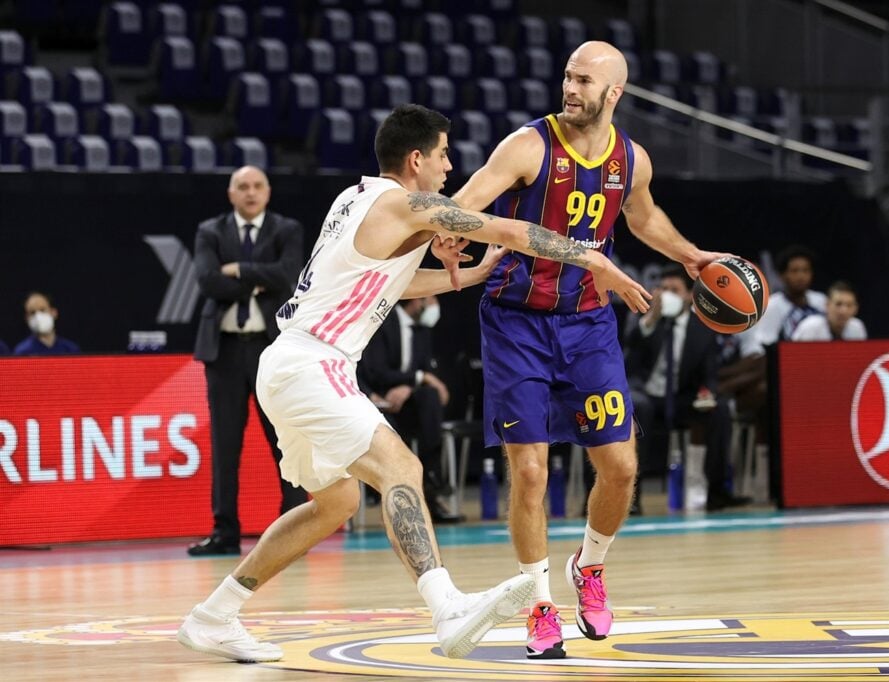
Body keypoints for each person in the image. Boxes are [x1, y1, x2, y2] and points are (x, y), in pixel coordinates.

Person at [176, 103, 650, 663]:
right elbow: (512, 228)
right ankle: (446, 607)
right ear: (417, 158)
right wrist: (597, 262)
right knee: (401, 468)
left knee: (335, 503)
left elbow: (384, 282)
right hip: (313, 365)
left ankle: (214, 616)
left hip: (289, 362)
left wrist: (468, 276)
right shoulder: (409, 203)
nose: (451, 168)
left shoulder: (355, 198)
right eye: (445, 155)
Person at [450, 41, 726, 659]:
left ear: (614, 93)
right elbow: (462, 203)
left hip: (587, 324)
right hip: (515, 322)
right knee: (530, 471)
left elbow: (643, 217)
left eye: (584, 80)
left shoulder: (631, 159)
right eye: (567, 77)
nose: (571, 88)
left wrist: (690, 255)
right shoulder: (528, 146)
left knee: (623, 467)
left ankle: (589, 567)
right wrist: (444, 234)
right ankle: (539, 605)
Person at [187, 165, 309, 557]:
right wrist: (260, 279)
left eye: (257, 186)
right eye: (243, 186)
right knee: (225, 444)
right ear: (231, 193)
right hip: (223, 351)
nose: (251, 192)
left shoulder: (287, 229)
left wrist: (239, 269)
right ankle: (225, 531)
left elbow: (288, 275)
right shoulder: (210, 231)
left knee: (283, 440)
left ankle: (293, 527)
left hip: (270, 349)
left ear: (268, 192)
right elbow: (207, 280)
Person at [359, 291, 495, 524]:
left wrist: (410, 387)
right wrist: (420, 378)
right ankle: (392, 495)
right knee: (391, 424)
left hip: (406, 402)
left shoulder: (422, 331)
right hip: (375, 399)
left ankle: (431, 481)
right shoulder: (383, 323)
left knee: (429, 399)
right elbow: (376, 372)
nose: (435, 305)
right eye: (431, 299)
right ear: (416, 300)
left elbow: (422, 374)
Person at [624, 265, 746, 513]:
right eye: (664, 289)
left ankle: (718, 492)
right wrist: (650, 319)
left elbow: (710, 372)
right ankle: (631, 497)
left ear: (689, 295)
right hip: (647, 395)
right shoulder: (645, 318)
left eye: (675, 290)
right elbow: (628, 350)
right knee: (640, 407)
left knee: (719, 409)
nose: (668, 294)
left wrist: (707, 392)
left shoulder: (702, 327)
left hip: (682, 398)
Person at [753, 244, 827, 348]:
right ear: (782, 275)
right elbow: (766, 344)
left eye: (805, 270)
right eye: (795, 271)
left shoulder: (821, 300)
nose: (801, 276)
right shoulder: (772, 305)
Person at [792, 280, 868, 341]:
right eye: (838, 304)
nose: (843, 311)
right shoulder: (810, 327)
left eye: (849, 305)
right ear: (827, 305)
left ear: (856, 308)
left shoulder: (857, 328)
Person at [14, 291, 80, 356]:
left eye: (42, 310)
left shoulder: (70, 350)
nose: (38, 316)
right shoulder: (22, 352)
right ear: (27, 318)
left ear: (54, 312)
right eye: (32, 312)